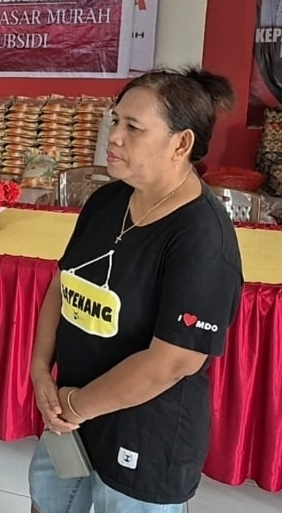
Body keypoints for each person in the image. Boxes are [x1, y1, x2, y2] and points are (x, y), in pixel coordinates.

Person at [28, 68, 243, 513]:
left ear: (181, 144)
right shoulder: (107, 201)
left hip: (144, 436)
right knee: (47, 504)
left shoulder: (202, 239)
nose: (114, 136)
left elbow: (173, 362)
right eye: (115, 120)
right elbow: (63, 283)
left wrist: (77, 405)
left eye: (133, 127)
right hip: (69, 416)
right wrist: (40, 370)